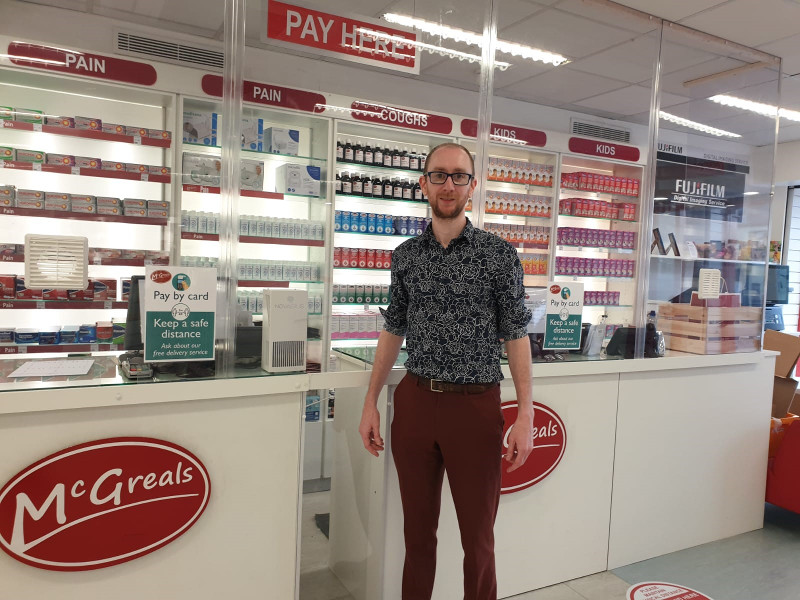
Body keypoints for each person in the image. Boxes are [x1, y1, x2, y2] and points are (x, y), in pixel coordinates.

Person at [358, 142, 534, 600]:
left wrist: (526, 414)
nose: (448, 184)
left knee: (478, 540)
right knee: (416, 538)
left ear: (472, 186)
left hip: (475, 407)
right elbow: (393, 328)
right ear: (423, 184)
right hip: (416, 403)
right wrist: (371, 402)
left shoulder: (499, 256)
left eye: (459, 176)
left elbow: (516, 336)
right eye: (439, 175)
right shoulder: (406, 256)